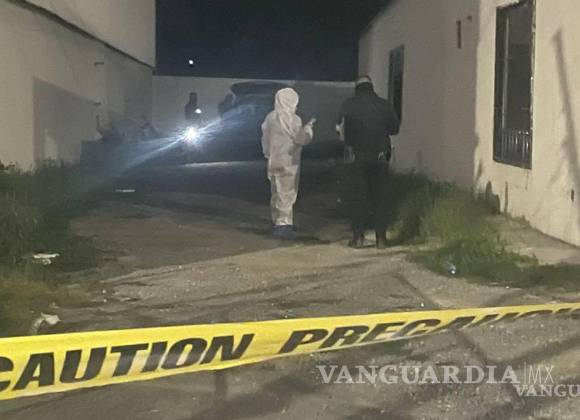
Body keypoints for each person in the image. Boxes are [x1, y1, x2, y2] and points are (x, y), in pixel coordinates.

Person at [338, 76, 400, 249]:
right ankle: (381, 239)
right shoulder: (384, 105)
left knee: (358, 197)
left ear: (357, 88)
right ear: (371, 87)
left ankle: (358, 237)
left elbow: (339, 129)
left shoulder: (348, 105)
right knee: (380, 197)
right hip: (380, 157)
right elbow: (395, 129)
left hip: (356, 157)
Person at [261, 88, 316, 240]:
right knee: (287, 193)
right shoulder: (294, 119)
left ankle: (276, 221)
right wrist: (309, 128)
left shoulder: (270, 117)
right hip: (289, 162)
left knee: (276, 192)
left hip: (274, 160)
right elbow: (301, 139)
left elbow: (265, 139)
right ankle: (283, 225)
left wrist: (268, 154)